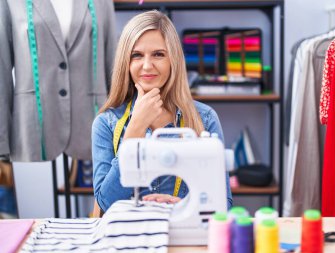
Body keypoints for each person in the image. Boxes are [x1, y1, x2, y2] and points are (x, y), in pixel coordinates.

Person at [92, 10, 233, 213]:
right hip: (130, 238)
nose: (147, 66)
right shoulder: (106, 123)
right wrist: (135, 130)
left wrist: (184, 206)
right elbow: (106, 204)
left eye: (158, 54)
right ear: (126, 62)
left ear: (172, 59)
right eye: (137, 55)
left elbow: (223, 204)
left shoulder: (205, 118)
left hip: (183, 237)